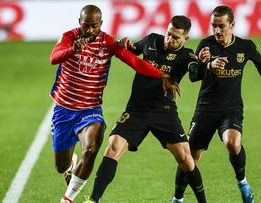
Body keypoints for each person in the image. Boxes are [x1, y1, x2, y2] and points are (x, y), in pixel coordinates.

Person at [49, 5, 179, 203]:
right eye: (86, 26)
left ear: (101, 24)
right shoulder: (69, 37)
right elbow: (54, 58)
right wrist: (73, 49)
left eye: (94, 26)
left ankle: (67, 199)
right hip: (64, 110)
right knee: (61, 166)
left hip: (90, 109)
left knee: (92, 148)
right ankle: (69, 167)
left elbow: (134, 61)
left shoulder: (107, 43)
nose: (90, 30)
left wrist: (161, 74)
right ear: (79, 23)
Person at [83, 16, 207, 203]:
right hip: (136, 109)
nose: (169, 40)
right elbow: (133, 49)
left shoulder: (187, 56)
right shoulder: (152, 40)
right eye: (168, 34)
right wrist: (126, 44)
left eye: (175, 38)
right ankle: (93, 200)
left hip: (164, 111)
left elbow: (195, 75)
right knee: (113, 147)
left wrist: (204, 64)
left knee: (186, 160)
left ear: (185, 38)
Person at [171, 5, 261, 203]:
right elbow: (194, 76)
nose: (217, 30)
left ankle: (242, 182)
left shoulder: (245, 46)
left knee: (233, 143)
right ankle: (177, 199)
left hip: (231, 109)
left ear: (232, 25)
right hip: (205, 110)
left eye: (221, 26)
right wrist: (207, 64)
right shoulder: (206, 45)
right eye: (214, 26)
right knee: (189, 159)